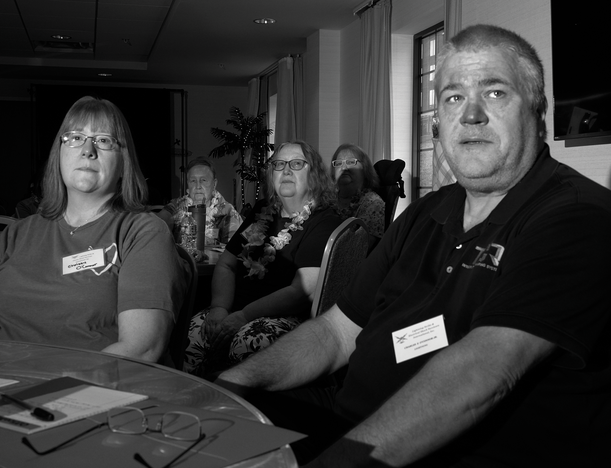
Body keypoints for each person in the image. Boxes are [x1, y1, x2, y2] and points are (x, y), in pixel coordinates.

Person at [215, 25, 611, 467]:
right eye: (453, 97)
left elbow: (485, 372)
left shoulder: (578, 217)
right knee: (205, 437)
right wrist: (230, 388)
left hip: (440, 452)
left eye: (496, 93)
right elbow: (335, 332)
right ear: (439, 122)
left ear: (539, 114)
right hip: (345, 419)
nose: (471, 114)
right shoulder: (426, 213)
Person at [0, 96, 188, 364]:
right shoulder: (17, 233)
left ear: (124, 163)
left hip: (88, 389)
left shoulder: (143, 232)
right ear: (59, 155)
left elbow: (140, 349)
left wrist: (41, 386)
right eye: (75, 138)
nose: (88, 149)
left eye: (103, 140)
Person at [184, 141, 342, 377]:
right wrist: (219, 308)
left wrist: (244, 316)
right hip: (232, 310)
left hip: (285, 318)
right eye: (278, 164)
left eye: (297, 164)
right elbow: (227, 264)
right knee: (193, 331)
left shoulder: (324, 221)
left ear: (314, 174)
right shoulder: (262, 210)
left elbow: (302, 291)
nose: (286, 170)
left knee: (248, 341)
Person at [157, 157, 242, 245]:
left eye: (203, 180)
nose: (198, 186)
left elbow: (235, 249)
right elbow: (158, 221)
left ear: (214, 184)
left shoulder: (227, 211)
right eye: (193, 181)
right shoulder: (177, 205)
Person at [330, 143, 385, 248]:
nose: (344, 167)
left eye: (351, 162)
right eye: (338, 163)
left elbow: (360, 250)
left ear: (365, 169)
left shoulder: (373, 204)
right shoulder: (326, 199)